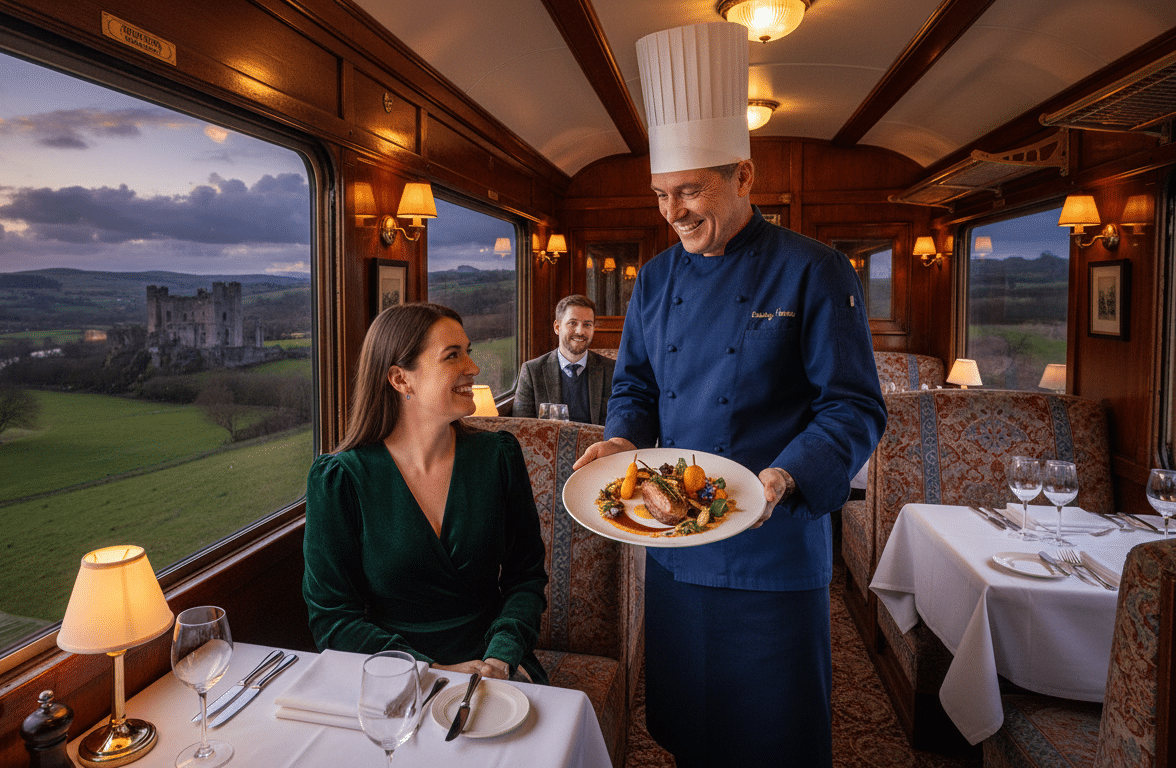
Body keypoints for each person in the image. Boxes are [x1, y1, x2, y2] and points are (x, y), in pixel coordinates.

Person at [573, 22, 886, 766]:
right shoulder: (652, 279)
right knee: (691, 725)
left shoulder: (815, 271)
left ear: (744, 177)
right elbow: (638, 385)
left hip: (773, 549)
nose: (673, 211)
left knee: (773, 735)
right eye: (660, 194)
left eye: (690, 190)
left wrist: (781, 478)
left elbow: (854, 408)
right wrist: (621, 437)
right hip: (677, 549)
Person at [303, 302, 548, 683]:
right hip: (392, 673)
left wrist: (501, 656)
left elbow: (525, 577)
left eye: (468, 351)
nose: (473, 367)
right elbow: (333, 619)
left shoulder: (499, 456)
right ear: (401, 380)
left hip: (495, 663)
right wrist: (431, 672)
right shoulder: (339, 480)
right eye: (453, 356)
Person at [513, 295, 614, 425]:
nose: (580, 331)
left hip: (597, 444)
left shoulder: (612, 370)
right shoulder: (532, 371)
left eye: (587, 324)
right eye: (573, 323)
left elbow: (618, 422)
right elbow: (521, 426)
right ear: (557, 327)